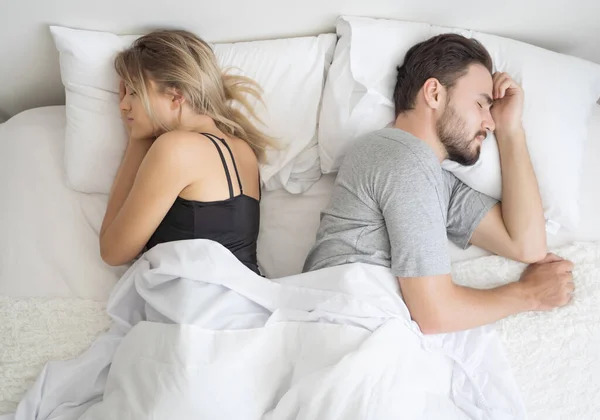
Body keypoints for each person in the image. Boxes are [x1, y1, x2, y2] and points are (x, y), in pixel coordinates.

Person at [303, 34, 575, 334]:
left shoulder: (434, 179)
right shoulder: (399, 155)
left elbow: (528, 246)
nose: (489, 122)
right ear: (434, 93)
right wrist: (529, 295)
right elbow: (434, 314)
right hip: (344, 326)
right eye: (481, 105)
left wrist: (511, 130)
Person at [99, 29, 276, 275]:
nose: (123, 105)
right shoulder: (242, 148)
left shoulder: (175, 148)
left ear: (176, 96)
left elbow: (112, 251)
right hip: (246, 297)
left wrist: (137, 142)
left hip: (200, 305)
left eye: (134, 92)